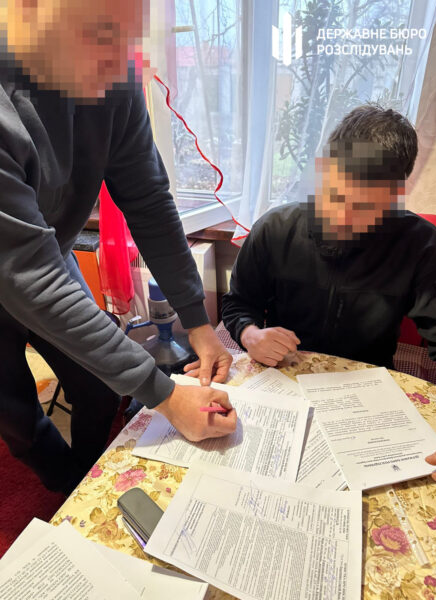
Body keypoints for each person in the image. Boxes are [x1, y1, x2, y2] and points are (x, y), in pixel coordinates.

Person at [0, 0, 236, 496]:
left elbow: (148, 200)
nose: (122, 62)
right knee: (16, 415)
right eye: (102, 33)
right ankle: (64, 485)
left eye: (132, 38)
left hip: (50, 255)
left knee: (101, 383)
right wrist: (166, 397)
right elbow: (28, 278)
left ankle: (90, 474)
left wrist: (198, 321)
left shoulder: (115, 77)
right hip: (21, 265)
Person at [222, 104, 436, 418]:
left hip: (367, 390)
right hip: (282, 380)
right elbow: (238, 303)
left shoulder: (421, 245)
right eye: (335, 196)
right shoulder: (275, 229)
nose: (342, 218)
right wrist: (250, 334)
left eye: (365, 207)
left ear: (394, 197)